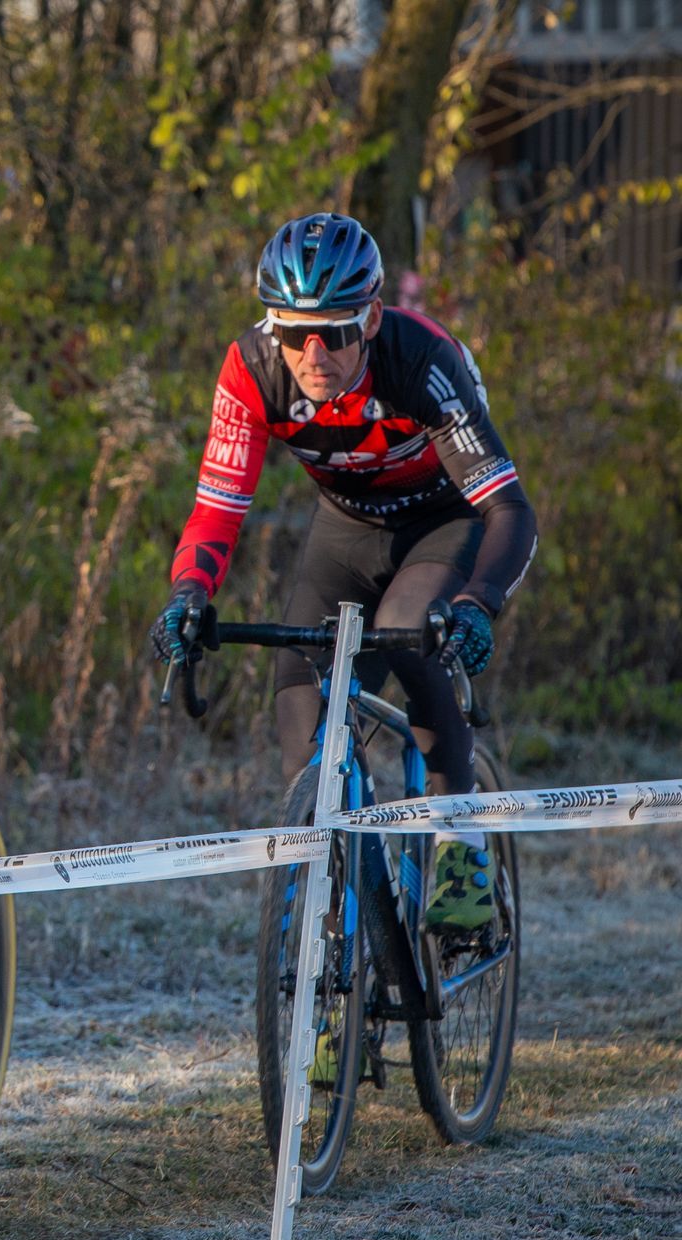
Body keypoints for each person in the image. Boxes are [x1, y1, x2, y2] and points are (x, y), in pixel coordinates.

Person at [151, 212, 538, 941]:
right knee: (300, 703)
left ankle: (459, 836)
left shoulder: (419, 362)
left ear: (373, 318)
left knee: (406, 633)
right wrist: (188, 594)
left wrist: (478, 602)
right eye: (295, 333)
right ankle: (337, 949)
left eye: (335, 330)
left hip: (442, 520)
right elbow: (216, 506)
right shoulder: (250, 369)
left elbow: (511, 510)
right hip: (347, 528)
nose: (314, 350)